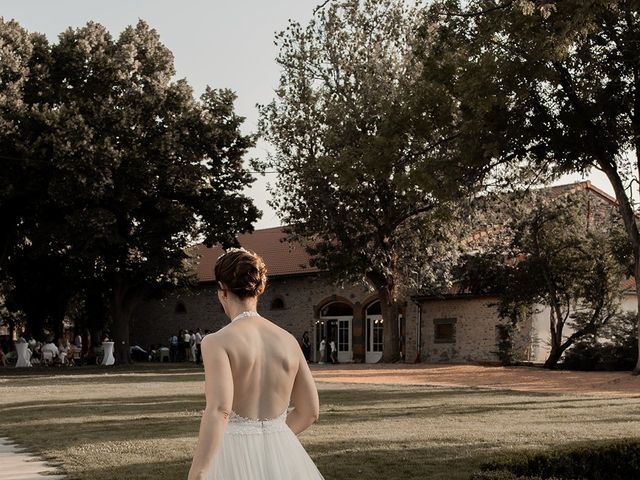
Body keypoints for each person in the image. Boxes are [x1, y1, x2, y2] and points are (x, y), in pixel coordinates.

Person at [188, 247, 324, 480]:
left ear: (222, 291)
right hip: (281, 454)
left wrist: (198, 472)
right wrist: (272, 440)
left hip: (232, 455)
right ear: (258, 290)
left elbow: (220, 410)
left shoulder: (216, 341)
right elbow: (309, 411)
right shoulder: (288, 340)